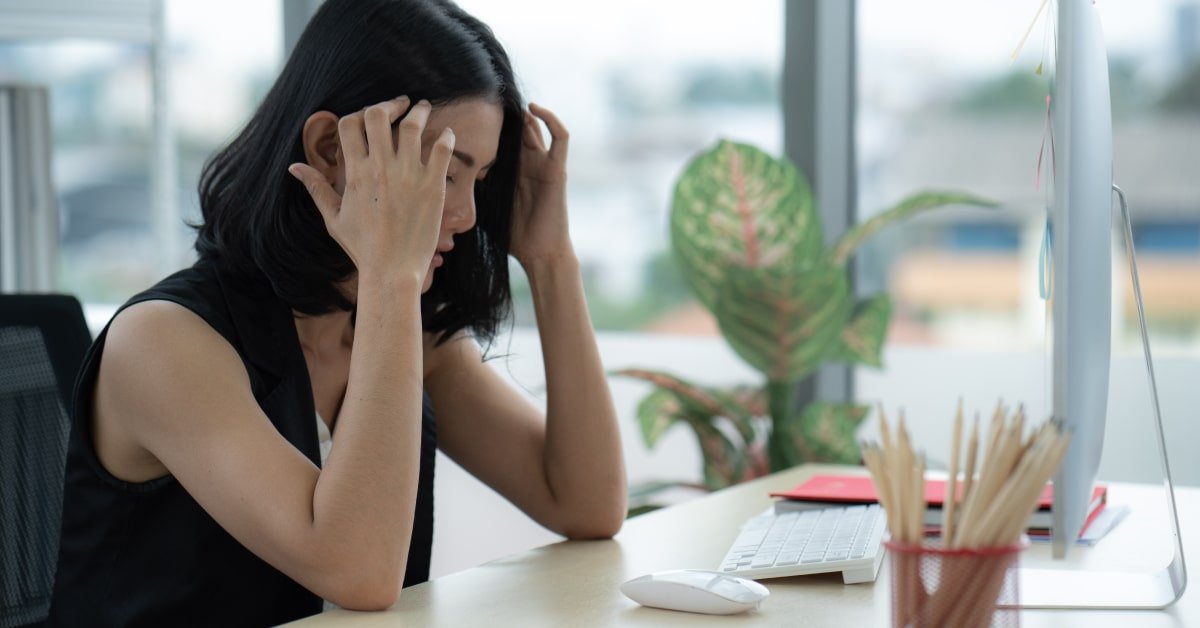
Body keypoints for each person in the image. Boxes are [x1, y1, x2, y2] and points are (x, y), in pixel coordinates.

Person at [47, 0, 626, 624]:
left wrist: (550, 259)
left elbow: (585, 503)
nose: (465, 217)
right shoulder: (160, 343)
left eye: (479, 182)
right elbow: (360, 571)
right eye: (442, 174)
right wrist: (390, 278)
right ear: (331, 148)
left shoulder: (397, 333)